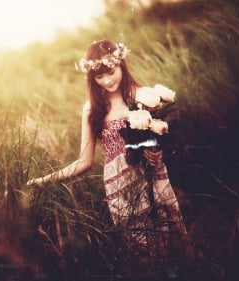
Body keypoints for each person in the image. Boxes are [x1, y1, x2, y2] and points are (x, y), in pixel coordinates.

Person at [27, 40, 192, 260]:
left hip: (152, 177)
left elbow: (161, 136)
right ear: (92, 78)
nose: (106, 80)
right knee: (145, 254)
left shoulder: (143, 96)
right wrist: (44, 180)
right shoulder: (91, 109)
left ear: (121, 64)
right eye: (99, 77)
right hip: (120, 187)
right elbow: (84, 161)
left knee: (173, 242)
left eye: (111, 72)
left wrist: (157, 150)